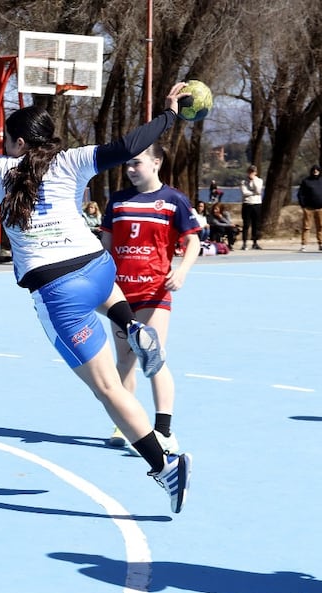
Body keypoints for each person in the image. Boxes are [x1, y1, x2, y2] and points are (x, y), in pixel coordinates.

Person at [0, 82, 193, 514]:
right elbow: (130, 144)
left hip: (58, 289)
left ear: (19, 142)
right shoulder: (73, 160)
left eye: (8, 141)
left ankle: (164, 466)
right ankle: (131, 325)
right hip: (98, 268)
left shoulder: (0, 169)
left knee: (109, 389)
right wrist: (169, 115)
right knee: (104, 295)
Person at [100, 142, 201, 454]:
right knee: (125, 360)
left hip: (154, 292)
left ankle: (164, 430)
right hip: (120, 293)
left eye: (137, 163)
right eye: (127, 164)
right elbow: (105, 247)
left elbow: (193, 241)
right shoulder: (117, 201)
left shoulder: (173, 201)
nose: (130, 169)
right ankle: (126, 421)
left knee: (152, 357)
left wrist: (181, 271)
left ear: (156, 162)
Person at [297, 164, 322, 252]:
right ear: (311, 171)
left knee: (321, 227)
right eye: (314, 170)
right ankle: (304, 245)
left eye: (317, 170)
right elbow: (300, 194)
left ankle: (321, 244)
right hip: (309, 208)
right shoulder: (306, 181)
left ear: (319, 171)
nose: (315, 171)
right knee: (306, 227)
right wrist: (303, 205)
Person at [240, 164, 263, 250]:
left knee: (255, 224)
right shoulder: (243, 182)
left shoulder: (259, 181)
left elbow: (258, 191)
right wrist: (253, 193)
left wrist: (253, 181)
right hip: (247, 204)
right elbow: (244, 193)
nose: (251, 173)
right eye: (249, 171)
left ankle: (255, 242)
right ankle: (244, 243)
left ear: (256, 173)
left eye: (253, 172)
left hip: (257, 204)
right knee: (246, 224)